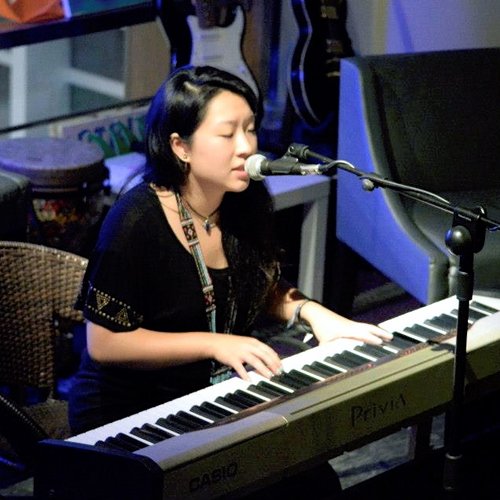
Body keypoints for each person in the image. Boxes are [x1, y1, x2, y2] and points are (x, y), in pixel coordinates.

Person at [68, 65, 391, 496]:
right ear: (180, 147)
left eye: (250, 129)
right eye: (227, 134)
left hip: (207, 395)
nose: (246, 147)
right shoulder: (135, 221)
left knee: (315, 482)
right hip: (131, 411)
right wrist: (215, 343)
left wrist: (312, 313)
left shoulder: (244, 200)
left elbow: (257, 283)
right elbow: (106, 344)